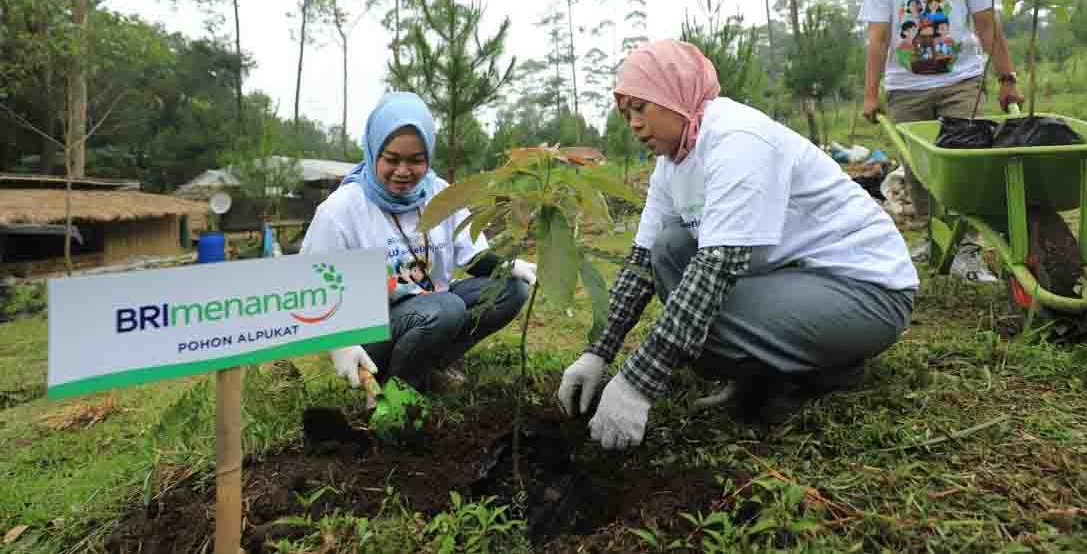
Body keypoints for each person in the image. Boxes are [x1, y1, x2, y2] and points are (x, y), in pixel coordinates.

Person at [556, 39, 919, 450]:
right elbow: (641, 265)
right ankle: (769, 368)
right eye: (626, 115)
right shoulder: (672, 162)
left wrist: (638, 381)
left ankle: (828, 368)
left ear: (674, 94)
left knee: (696, 318)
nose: (634, 124)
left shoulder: (737, 139)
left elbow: (717, 269)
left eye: (642, 107)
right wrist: (597, 353)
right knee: (669, 248)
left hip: (866, 292)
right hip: (794, 280)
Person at [302, 92, 536, 393]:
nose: (403, 171)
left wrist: (508, 266)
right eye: (392, 159)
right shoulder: (342, 210)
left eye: (416, 160)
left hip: (434, 306)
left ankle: (432, 364)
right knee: (447, 308)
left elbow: (472, 258)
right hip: (374, 332)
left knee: (511, 290)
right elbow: (313, 288)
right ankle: (398, 387)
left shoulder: (439, 194)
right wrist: (340, 345)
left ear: (428, 157)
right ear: (374, 152)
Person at [859, 0, 1025, 281]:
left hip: (961, 80)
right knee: (917, 169)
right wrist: (870, 93)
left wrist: (1007, 79)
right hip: (906, 87)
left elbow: (987, 26)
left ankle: (966, 249)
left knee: (964, 162)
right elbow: (879, 38)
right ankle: (934, 240)